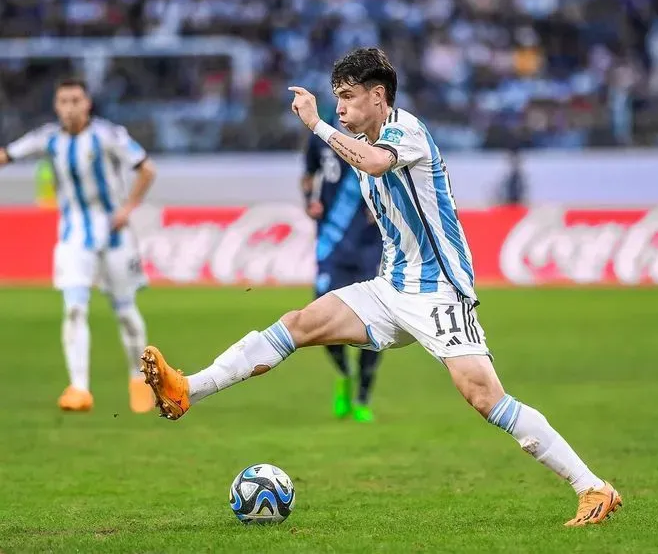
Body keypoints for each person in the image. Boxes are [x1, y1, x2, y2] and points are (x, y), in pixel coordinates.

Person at [140, 48, 622, 526]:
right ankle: (187, 391)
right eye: (336, 99)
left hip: (438, 290)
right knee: (298, 323)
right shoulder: (366, 138)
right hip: (390, 288)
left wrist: (316, 125)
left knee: (485, 398)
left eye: (348, 97)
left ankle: (592, 487)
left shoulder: (404, 131)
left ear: (379, 95)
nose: (341, 108)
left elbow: (373, 164)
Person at [0, 78, 157, 413]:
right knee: (73, 308)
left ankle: (138, 378)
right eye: (63, 101)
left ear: (87, 104)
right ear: (56, 106)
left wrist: (127, 208)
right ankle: (79, 388)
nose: (69, 107)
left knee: (127, 313)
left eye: (75, 100)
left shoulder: (109, 135)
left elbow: (147, 169)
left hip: (115, 236)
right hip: (73, 237)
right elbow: (7, 155)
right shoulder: (48, 138)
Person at [302, 113, 384, 422]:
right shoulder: (320, 139)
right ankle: (343, 372)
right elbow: (308, 175)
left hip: (368, 245)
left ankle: (363, 397)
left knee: (374, 322)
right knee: (319, 319)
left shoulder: (378, 140)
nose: (344, 108)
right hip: (331, 242)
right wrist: (309, 199)